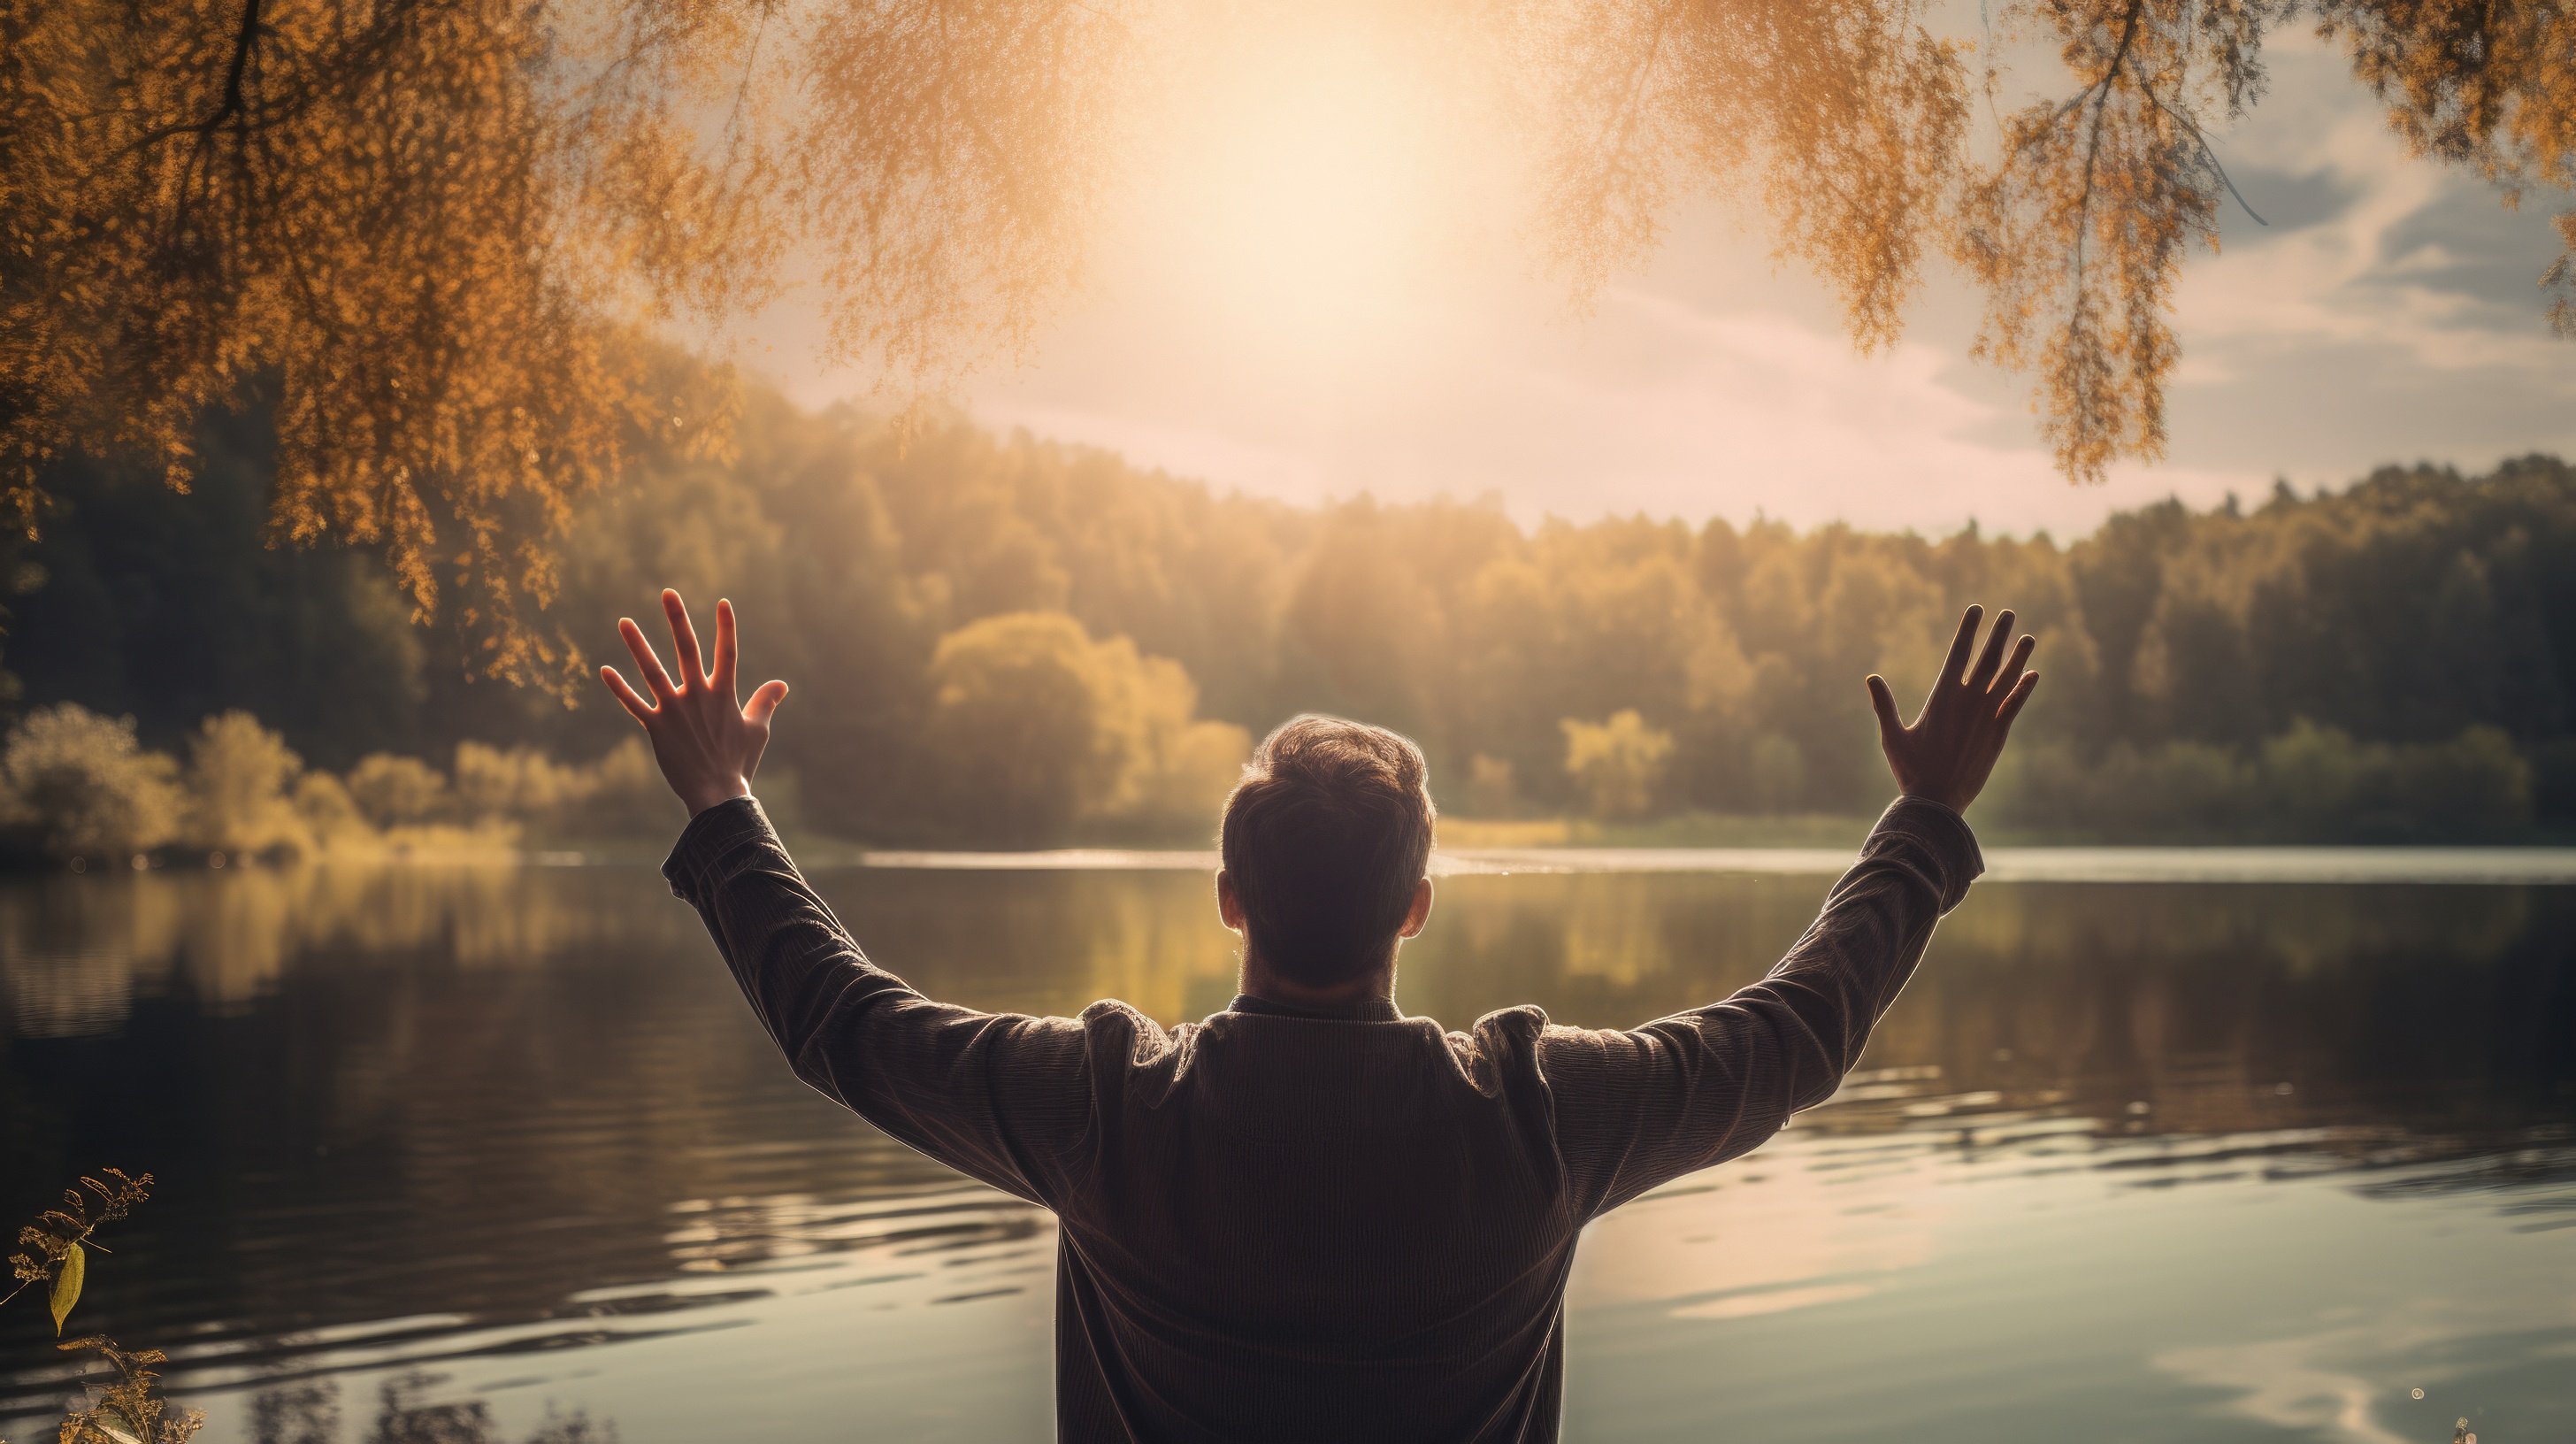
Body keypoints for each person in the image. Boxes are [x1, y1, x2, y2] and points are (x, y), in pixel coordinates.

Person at [602, 590, 2038, 1444]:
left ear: (1229, 899)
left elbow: (840, 1023)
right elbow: (1793, 1039)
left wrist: (723, 803)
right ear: (1417, 910)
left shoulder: (1104, 1108)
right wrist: (1921, 819)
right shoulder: (1540, 1117)